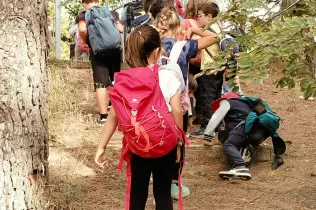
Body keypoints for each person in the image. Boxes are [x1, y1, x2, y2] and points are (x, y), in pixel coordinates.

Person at [95, 25, 183, 210]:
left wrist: (101, 147)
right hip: (164, 144)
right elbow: (176, 110)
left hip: (137, 145)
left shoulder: (123, 80)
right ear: (157, 50)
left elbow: (113, 116)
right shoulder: (168, 76)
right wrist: (178, 143)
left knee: (137, 192)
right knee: (163, 193)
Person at [155, 8, 218, 199]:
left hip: (154, 103)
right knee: (177, 142)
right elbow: (214, 37)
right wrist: (193, 31)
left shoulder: (150, 44)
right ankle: (174, 184)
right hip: (178, 103)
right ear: (177, 27)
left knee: (156, 139)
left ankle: (157, 179)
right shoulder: (182, 46)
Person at [203, 93, 286, 180]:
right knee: (232, 139)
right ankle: (242, 159)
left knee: (228, 145)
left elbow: (217, 116)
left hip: (245, 127)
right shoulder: (248, 104)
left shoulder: (227, 101)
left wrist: (207, 136)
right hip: (259, 133)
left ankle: (240, 166)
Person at [78, 0, 121, 124]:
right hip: (114, 49)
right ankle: (116, 111)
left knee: (100, 83)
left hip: (98, 50)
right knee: (115, 79)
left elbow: (82, 29)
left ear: (84, 3)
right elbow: (120, 28)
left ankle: (104, 116)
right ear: (98, 1)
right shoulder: (111, 12)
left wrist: (86, 41)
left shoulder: (83, 15)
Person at [190, 2, 224, 139]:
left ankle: (206, 128)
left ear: (209, 16)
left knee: (207, 99)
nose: (198, 19)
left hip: (210, 69)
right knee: (216, 98)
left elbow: (211, 37)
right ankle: (217, 125)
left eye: (200, 16)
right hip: (218, 68)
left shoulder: (212, 29)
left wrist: (193, 30)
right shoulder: (219, 27)